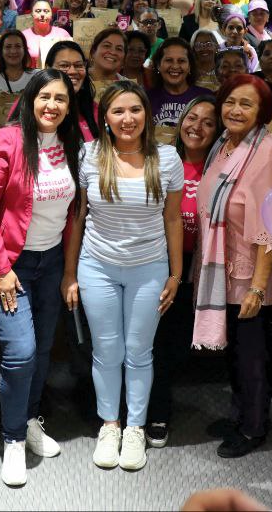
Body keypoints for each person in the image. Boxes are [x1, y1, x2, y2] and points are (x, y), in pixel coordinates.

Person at [63, 81, 183, 472]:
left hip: (149, 268)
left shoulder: (166, 158)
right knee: (106, 351)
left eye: (135, 109)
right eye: (118, 111)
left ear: (146, 114)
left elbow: (172, 219)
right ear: (105, 118)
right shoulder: (88, 154)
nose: (127, 118)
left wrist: (176, 273)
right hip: (97, 266)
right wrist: (70, 272)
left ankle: (135, 427)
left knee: (139, 352)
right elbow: (79, 218)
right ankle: (109, 424)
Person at [0, 71, 82, 485]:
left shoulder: (73, 144)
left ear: (69, 107)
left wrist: (69, 269)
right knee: (19, 352)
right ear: (30, 98)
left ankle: (31, 419)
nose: (51, 105)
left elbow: (76, 212)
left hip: (52, 261)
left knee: (40, 352)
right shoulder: (7, 140)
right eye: (44, 97)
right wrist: (0, 270)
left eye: (60, 99)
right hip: (13, 265)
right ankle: (13, 438)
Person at [192, 73, 272, 460]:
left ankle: (253, 426)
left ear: (262, 112)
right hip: (224, 270)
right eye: (230, 101)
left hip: (250, 275)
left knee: (251, 356)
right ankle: (239, 414)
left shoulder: (265, 156)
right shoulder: (225, 145)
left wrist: (258, 288)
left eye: (246, 104)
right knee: (236, 352)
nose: (235, 110)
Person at [142, 95, 218, 448]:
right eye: (192, 118)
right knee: (149, 343)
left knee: (173, 347)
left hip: (199, 272)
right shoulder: (161, 160)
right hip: (157, 266)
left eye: (207, 121)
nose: (196, 127)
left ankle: (158, 409)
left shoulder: (221, 167)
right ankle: (144, 412)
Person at [146, 39, 207, 129]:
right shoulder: (146, 98)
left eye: (181, 61)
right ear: (158, 65)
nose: (175, 66)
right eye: (169, 60)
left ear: (190, 66)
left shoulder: (205, 98)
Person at [0, 30, 35, 96]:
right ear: (1, 51)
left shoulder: (36, 76)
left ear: (24, 49)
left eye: (18, 46)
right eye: (8, 47)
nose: (13, 51)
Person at [22, 0, 71, 67]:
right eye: (38, 11)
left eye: (46, 11)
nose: (42, 14)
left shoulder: (63, 34)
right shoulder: (23, 36)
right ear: (32, 14)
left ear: (51, 15)